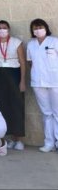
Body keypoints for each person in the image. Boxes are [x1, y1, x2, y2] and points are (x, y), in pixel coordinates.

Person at [0, 20, 26, 150]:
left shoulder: (16, 42)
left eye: (4, 28)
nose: (2, 30)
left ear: (8, 29)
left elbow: (22, 62)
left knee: (17, 106)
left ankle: (19, 139)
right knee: (2, 107)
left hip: (14, 74)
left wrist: (22, 81)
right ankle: (8, 138)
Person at [27, 18, 58, 153]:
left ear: (45, 28)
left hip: (54, 81)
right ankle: (49, 142)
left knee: (57, 112)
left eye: (40, 27)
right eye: (35, 28)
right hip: (38, 82)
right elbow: (30, 62)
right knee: (46, 113)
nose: (38, 30)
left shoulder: (54, 41)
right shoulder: (31, 44)